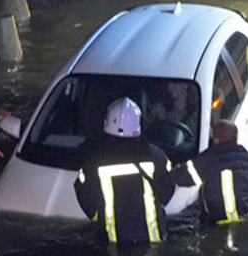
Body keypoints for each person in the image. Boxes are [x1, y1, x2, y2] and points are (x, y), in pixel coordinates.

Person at [75, 97, 176, 244]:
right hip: (153, 240)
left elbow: (85, 196)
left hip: (113, 243)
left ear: (106, 123)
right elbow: (167, 189)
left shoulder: (94, 160)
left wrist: (101, 214)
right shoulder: (155, 154)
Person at [173, 120, 248, 223]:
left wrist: (172, 169)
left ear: (215, 140)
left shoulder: (209, 157)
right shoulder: (245, 155)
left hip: (221, 219)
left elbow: (183, 179)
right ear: (236, 137)